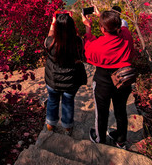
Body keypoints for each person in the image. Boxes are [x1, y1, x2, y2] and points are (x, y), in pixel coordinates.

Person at [82, 8, 137, 148]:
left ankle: (100, 138)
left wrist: (88, 27)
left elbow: (87, 50)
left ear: (102, 29)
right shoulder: (126, 35)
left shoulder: (97, 46)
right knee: (120, 110)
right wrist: (104, 17)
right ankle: (120, 139)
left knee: (102, 111)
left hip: (103, 80)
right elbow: (123, 22)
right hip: (123, 79)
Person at [44, 11, 87, 135]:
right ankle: (67, 127)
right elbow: (79, 41)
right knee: (68, 102)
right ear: (72, 27)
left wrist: (53, 24)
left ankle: (50, 125)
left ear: (57, 27)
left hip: (53, 80)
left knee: (52, 101)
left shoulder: (50, 42)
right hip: (71, 81)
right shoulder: (78, 42)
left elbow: (50, 36)